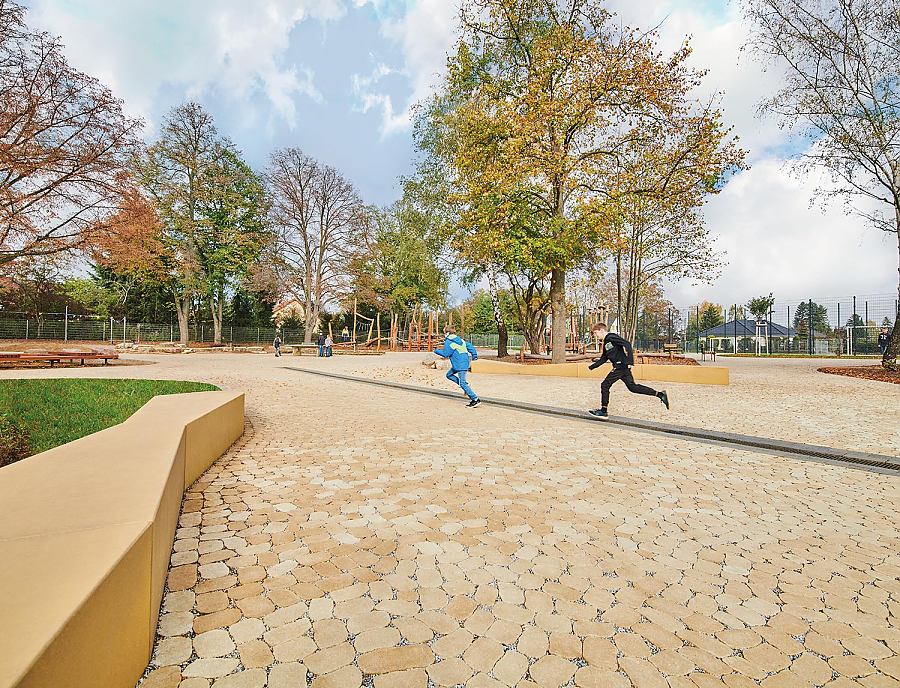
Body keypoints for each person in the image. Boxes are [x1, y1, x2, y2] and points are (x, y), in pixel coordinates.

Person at [587, 322, 669, 419]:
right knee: (632, 387)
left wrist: (630, 361)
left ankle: (603, 411)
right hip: (622, 367)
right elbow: (604, 358)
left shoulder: (611, 337)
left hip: (621, 366)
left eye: (596, 333)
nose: (596, 336)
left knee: (605, 385)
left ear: (602, 331)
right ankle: (660, 394)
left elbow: (627, 344)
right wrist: (592, 366)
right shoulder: (606, 342)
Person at [434, 325, 481, 407]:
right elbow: (470, 346)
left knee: (462, 383)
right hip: (461, 363)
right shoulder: (460, 340)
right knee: (449, 375)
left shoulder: (449, 341)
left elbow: (446, 354)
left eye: (444, 333)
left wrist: (436, 350)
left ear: (447, 333)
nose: (444, 335)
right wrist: (474, 355)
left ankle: (475, 399)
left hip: (460, 365)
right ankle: (465, 385)